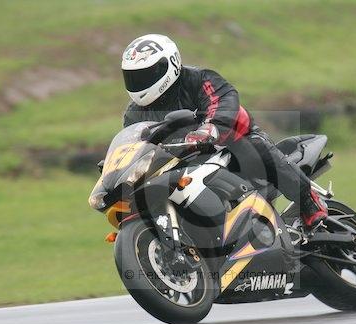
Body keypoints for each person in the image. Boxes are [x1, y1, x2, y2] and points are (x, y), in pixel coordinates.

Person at [121, 34, 327, 231]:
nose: (138, 82)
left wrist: (210, 127)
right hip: (181, 162)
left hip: (227, 142)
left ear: (170, 64)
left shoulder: (197, 79)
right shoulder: (133, 114)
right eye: (132, 77)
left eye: (145, 75)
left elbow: (224, 100)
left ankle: (308, 201)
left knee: (254, 148)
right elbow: (134, 144)